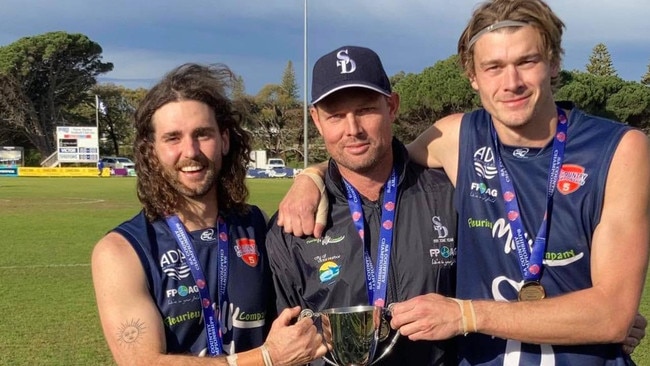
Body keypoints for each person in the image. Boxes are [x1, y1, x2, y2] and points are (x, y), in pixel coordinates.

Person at [275, 0, 650, 364]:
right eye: (493, 67)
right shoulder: (455, 137)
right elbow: (365, 155)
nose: (512, 82)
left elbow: (613, 316)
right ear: (472, 76)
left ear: (552, 62)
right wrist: (310, 175)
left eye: (526, 61)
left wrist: (465, 315)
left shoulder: (620, 149)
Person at [91, 63, 327, 366]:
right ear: (152, 151)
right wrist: (266, 358)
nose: (190, 151)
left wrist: (311, 176)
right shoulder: (120, 252)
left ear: (225, 140)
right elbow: (142, 362)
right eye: (173, 138)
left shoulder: (254, 225)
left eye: (202, 134)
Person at [266, 45, 458, 365]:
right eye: (336, 116)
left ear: (392, 106)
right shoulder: (292, 225)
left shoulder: (449, 198)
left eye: (366, 110)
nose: (352, 129)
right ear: (316, 119)